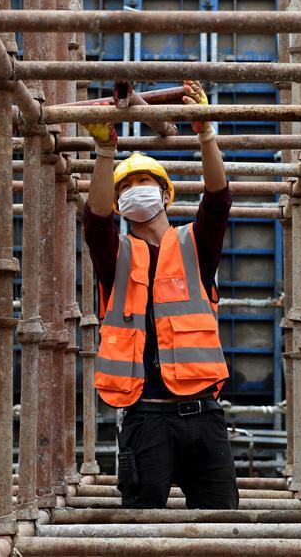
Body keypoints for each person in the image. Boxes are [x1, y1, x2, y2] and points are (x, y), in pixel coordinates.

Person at [81, 80, 239, 509]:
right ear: (118, 204)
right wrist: (105, 152)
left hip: (203, 415)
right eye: (125, 189)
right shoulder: (116, 256)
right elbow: (94, 224)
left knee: (221, 527)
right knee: (143, 531)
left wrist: (205, 134)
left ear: (166, 192)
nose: (136, 190)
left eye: (146, 181)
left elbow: (218, 200)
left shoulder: (195, 245)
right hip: (145, 417)